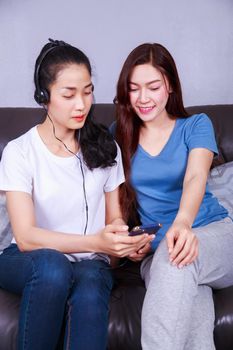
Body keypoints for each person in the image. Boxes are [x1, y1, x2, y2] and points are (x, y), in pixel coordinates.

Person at [0, 39, 153, 350]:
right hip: (28, 259)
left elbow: (114, 220)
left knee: (91, 284)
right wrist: (94, 242)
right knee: (53, 267)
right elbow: (27, 237)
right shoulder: (20, 152)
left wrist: (123, 242)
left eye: (87, 91)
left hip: (90, 262)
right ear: (44, 97)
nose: (82, 104)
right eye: (69, 95)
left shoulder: (105, 148)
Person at [113, 42, 233, 350]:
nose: (143, 98)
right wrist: (132, 242)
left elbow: (195, 176)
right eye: (134, 88)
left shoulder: (196, 125)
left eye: (153, 87)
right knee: (191, 308)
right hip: (159, 250)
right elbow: (112, 200)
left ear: (169, 85)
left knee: (174, 256)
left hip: (213, 235)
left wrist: (182, 223)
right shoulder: (119, 134)